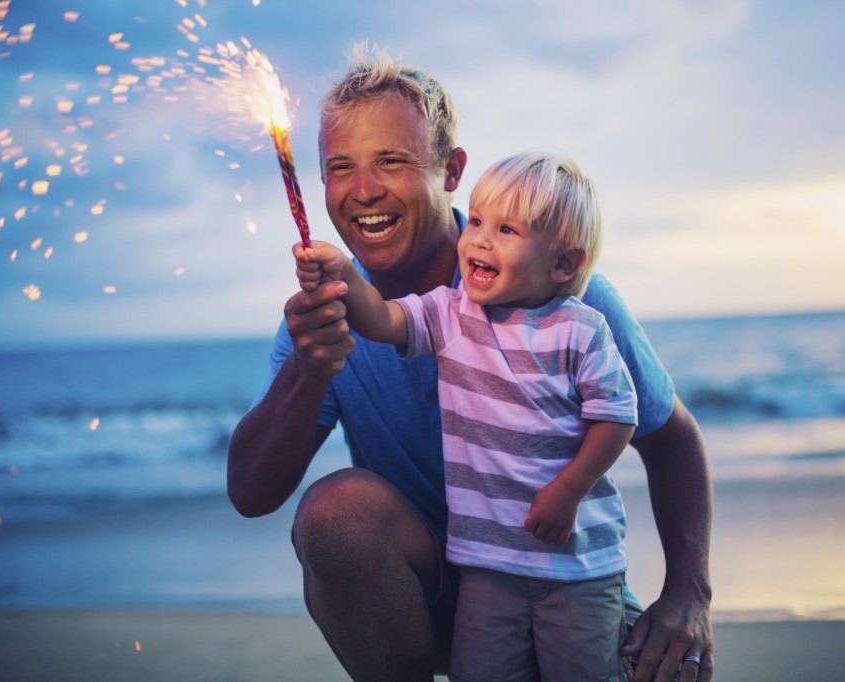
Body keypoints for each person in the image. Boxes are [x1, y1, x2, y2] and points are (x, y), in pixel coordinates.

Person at [227, 42, 714, 682]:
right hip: (433, 596)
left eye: (392, 162)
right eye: (340, 168)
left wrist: (689, 595)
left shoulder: (565, 297)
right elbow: (251, 493)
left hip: (562, 587)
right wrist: (308, 370)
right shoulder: (325, 320)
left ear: (451, 169)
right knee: (335, 515)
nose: (363, 190)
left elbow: (669, 436)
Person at [296, 151, 639, 681]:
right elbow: (383, 320)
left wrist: (570, 489)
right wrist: (342, 273)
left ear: (564, 264)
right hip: (485, 563)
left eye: (506, 230)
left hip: (576, 568)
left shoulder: (581, 329)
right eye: (476, 220)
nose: (479, 239)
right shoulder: (451, 313)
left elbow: (617, 416)